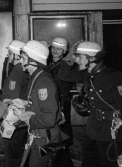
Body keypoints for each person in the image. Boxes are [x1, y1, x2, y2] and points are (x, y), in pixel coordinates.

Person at [66, 41, 122, 167]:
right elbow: (65, 74)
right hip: (93, 130)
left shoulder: (115, 76)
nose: (76, 60)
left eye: (79, 56)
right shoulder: (89, 76)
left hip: (112, 133)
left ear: (92, 58)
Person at [13, 40, 67, 167]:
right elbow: (40, 103)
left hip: (44, 138)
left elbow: (49, 119)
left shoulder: (43, 82)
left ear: (33, 60)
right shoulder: (35, 77)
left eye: (23, 58)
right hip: (38, 135)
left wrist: (24, 117)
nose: (20, 61)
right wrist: (25, 103)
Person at [0, 40, 29, 167]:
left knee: (12, 152)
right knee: (20, 151)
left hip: (14, 118)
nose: (8, 55)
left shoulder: (17, 71)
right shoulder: (23, 69)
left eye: (10, 52)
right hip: (23, 117)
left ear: (17, 55)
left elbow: (12, 98)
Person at [48, 37, 74, 167]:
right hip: (50, 103)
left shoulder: (66, 65)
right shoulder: (48, 63)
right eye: (53, 48)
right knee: (52, 136)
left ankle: (64, 163)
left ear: (64, 51)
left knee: (62, 137)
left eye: (59, 49)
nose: (55, 51)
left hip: (62, 104)